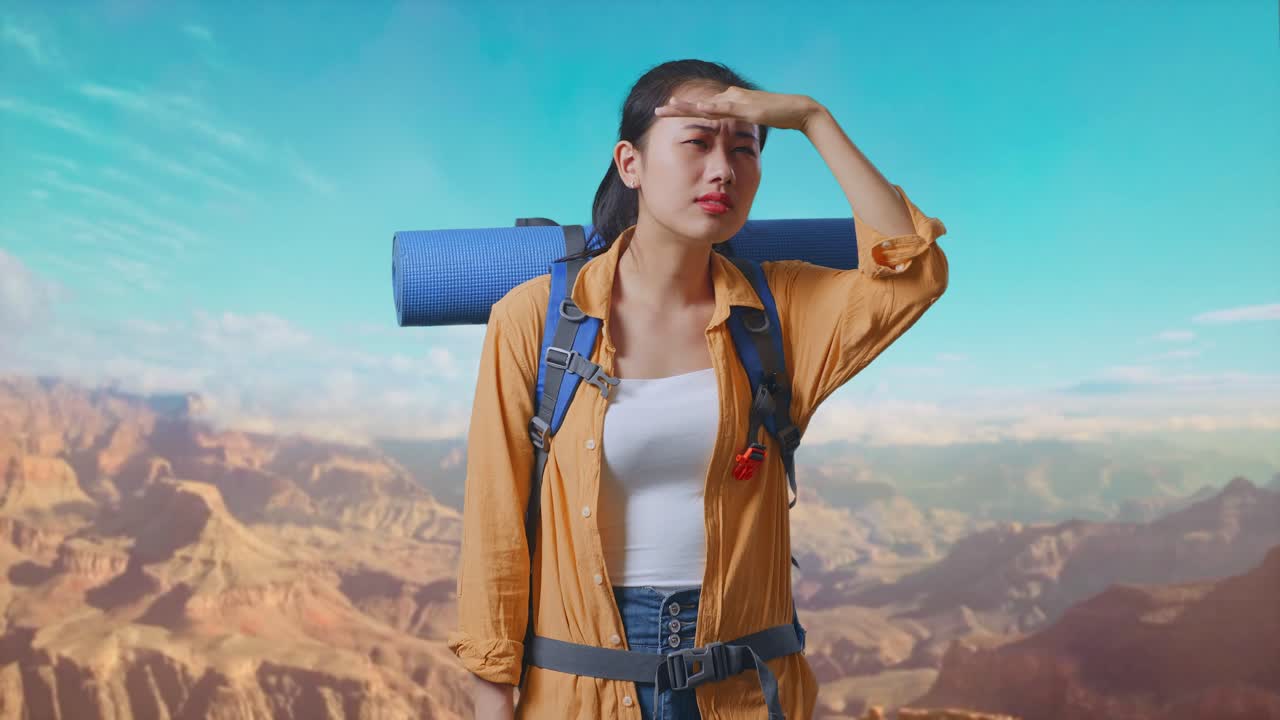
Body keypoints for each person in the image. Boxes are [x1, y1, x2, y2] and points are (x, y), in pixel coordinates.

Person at [447, 59, 949, 720]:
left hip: (742, 692)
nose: (724, 170)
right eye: (696, 143)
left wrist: (810, 119)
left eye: (745, 150)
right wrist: (492, 702)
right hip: (581, 692)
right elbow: (495, 527)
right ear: (630, 163)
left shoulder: (780, 313)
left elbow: (911, 272)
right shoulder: (534, 320)